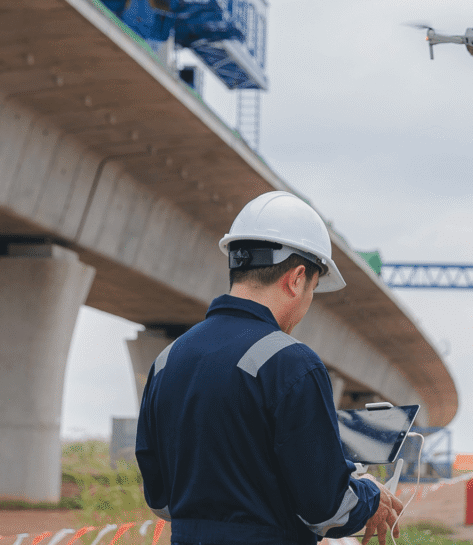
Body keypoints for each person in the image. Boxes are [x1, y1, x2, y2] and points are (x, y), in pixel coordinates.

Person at [136, 191, 403, 545]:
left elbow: (160, 498)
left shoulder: (167, 361)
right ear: (296, 279)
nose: (308, 302)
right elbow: (326, 509)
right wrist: (368, 493)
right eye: (313, 288)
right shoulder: (293, 364)